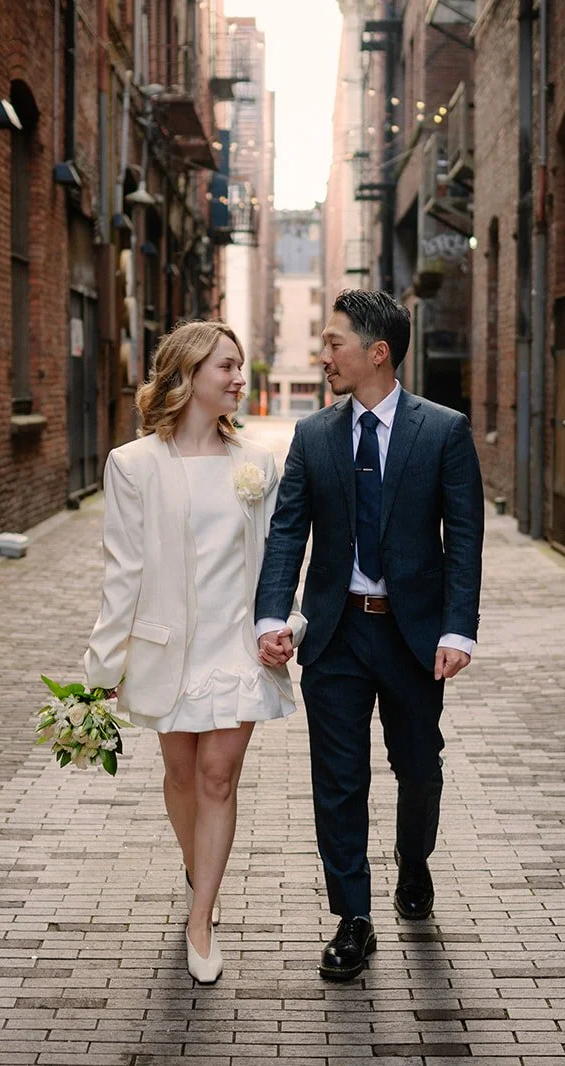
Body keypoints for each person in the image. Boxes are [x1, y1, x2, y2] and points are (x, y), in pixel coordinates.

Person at [254, 289, 484, 981]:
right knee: (338, 780)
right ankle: (353, 918)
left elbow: (464, 538)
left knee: (419, 771)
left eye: (335, 343)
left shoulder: (442, 430)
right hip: (336, 635)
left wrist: (458, 629)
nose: (325, 355)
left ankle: (414, 862)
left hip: (413, 637)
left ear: (376, 352)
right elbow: (288, 529)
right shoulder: (314, 435)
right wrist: (273, 616)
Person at [83, 320, 305, 985]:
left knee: (217, 776)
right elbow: (122, 571)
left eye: (240, 367)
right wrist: (101, 671)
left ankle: (200, 917)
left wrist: (284, 624)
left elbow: (278, 561)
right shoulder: (133, 464)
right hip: (167, 649)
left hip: (238, 644)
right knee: (181, 777)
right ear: (187, 375)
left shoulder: (257, 465)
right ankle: (195, 862)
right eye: (227, 367)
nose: (240, 378)